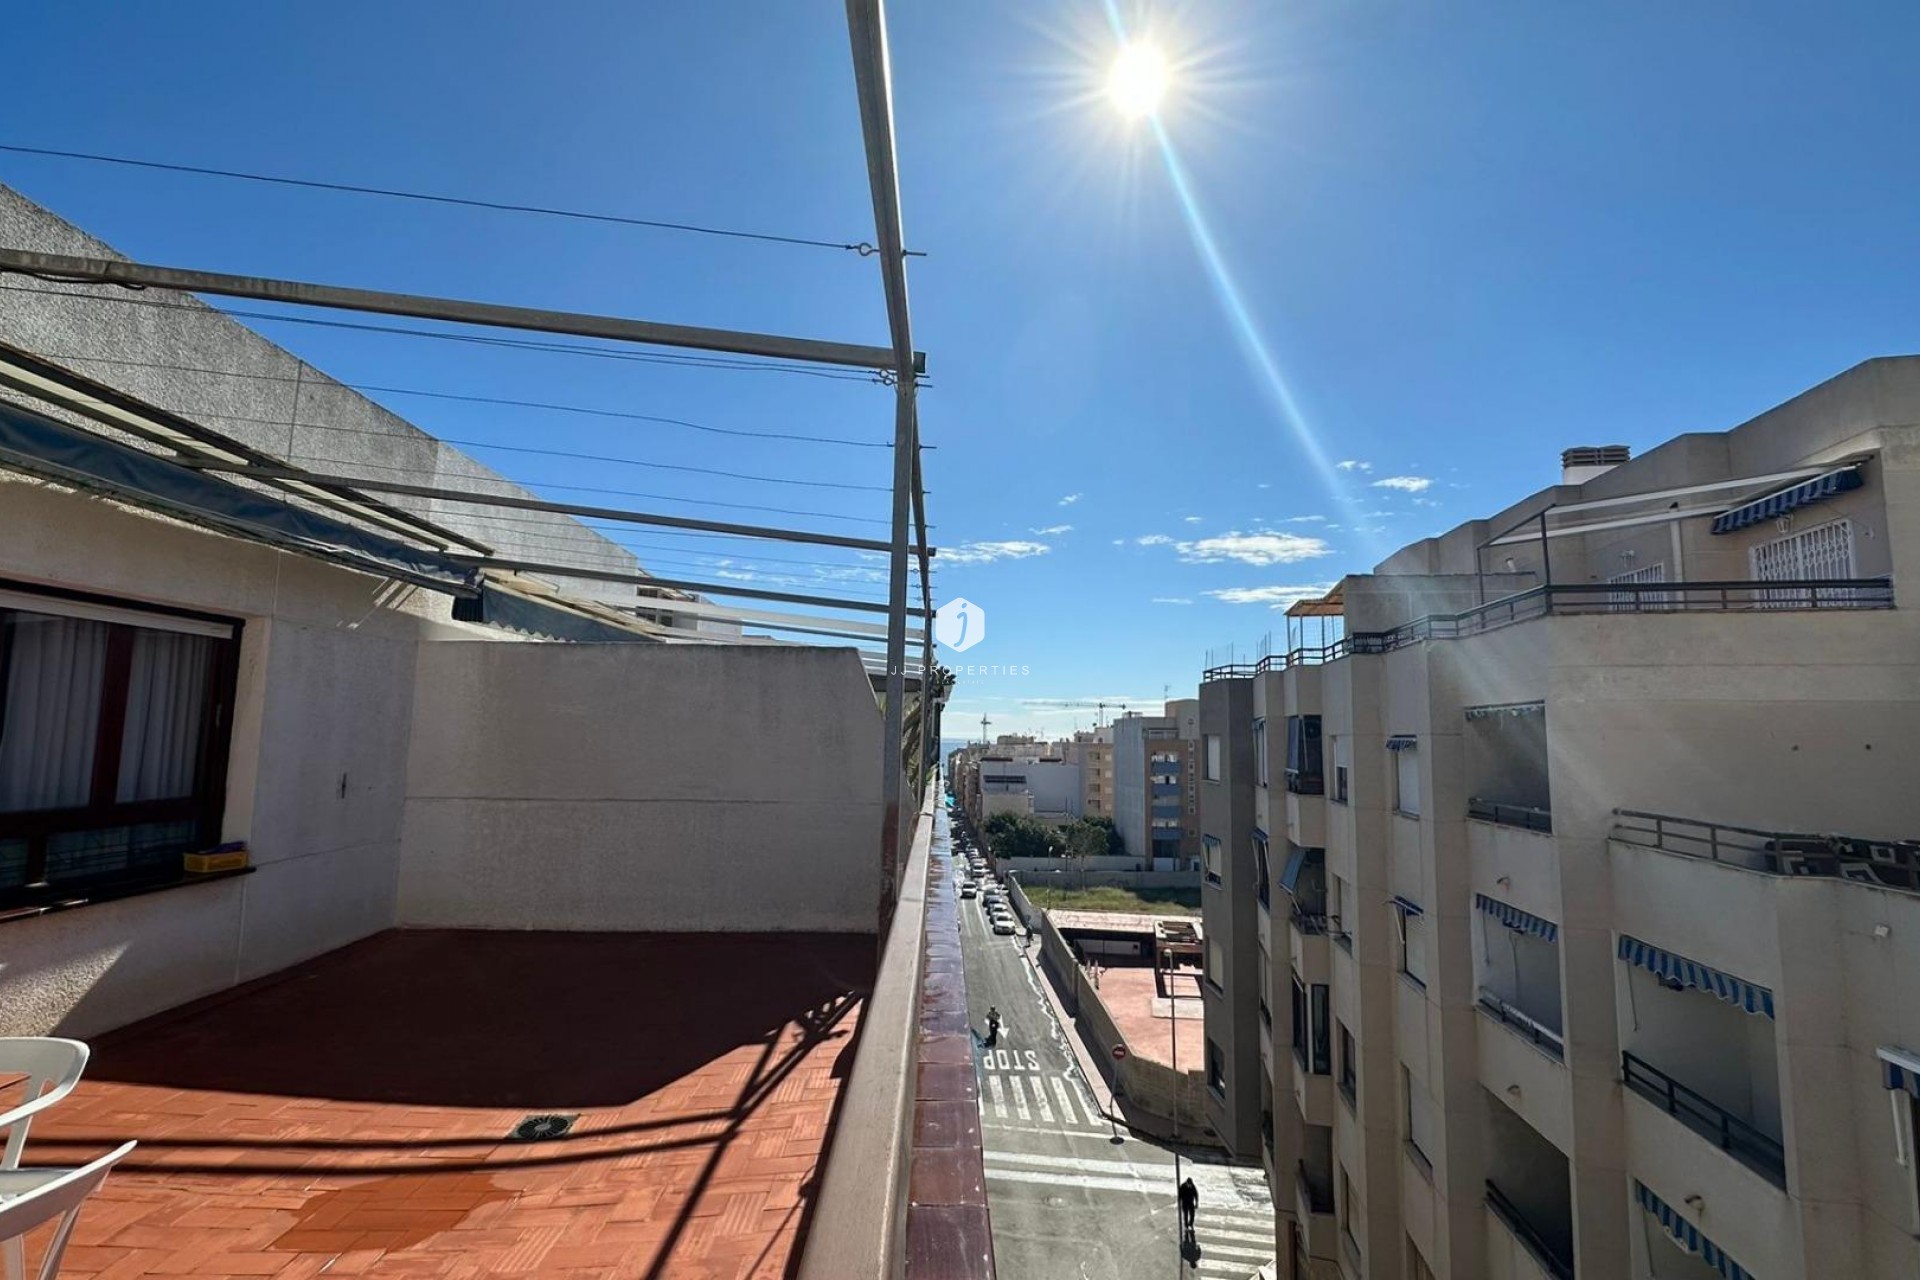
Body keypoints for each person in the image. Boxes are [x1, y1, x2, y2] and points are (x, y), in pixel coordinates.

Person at [1178, 1176, 1198, 1246]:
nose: (1190, 1186)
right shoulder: (1183, 1186)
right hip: (1185, 1203)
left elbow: (1196, 1194)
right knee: (1185, 1215)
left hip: (1191, 1203)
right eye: (1189, 1184)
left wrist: (1196, 1203)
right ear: (1187, 1183)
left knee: (1192, 1214)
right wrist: (1180, 1202)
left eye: (1191, 1184)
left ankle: (1190, 1224)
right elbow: (1180, 1195)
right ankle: (1186, 1226)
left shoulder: (1193, 1186)